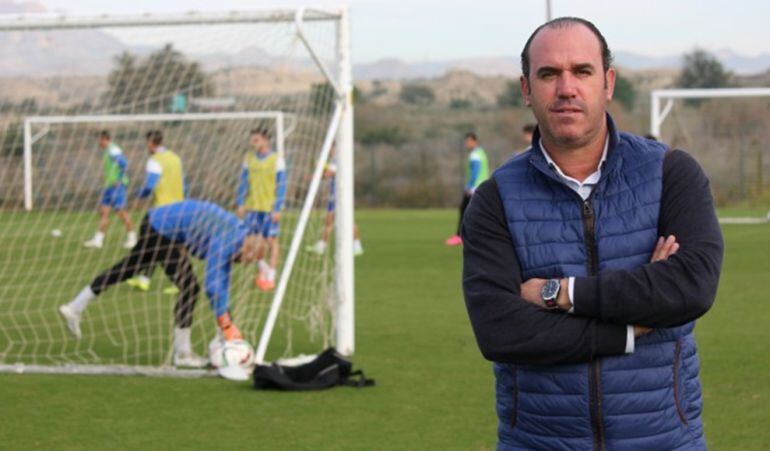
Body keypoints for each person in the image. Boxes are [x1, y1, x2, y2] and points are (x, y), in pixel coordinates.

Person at [462, 17, 723, 450]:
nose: (567, 88)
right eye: (549, 74)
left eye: (582, 71)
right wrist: (630, 327)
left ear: (608, 82)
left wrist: (559, 294)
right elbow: (501, 330)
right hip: (538, 442)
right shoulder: (494, 199)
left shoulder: (671, 172)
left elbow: (690, 288)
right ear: (526, 90)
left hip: (663, 440)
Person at [59, 199, 260, 367]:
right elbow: (214, 285)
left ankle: (75, 306)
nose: (242, 264)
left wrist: (225, 324)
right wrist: (226, 324)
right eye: (245, 260)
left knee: (128, 269)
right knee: (189, 287)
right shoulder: (227, 241)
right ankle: (183, 354)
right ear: (247, 249)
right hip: (161, 229)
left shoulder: (238, 235)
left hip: (159, 222)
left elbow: (221, 280)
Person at [125, 130, 186, 293]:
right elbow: (183, 182)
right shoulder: (175, 158)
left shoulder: (154, 160)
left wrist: (139, 195)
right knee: (155, 244)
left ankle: (180, 281)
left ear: (151, 143)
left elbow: (150, 185)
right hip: (179, 207)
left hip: (162, 211)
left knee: (161, 246)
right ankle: (144, 279)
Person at [236, 128, 287, 291]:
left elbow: (282, 185)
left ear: (265, 140)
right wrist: (240, 203)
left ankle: (271, 276)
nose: (253, 143)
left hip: (269, 207)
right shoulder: (249, 158)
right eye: (252, 139)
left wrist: (277, 208)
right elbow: (243, 181)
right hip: (252, 207)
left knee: (272, 241)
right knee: (249, 242)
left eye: (256, 140)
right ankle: (263, 267)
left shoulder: (276, 159)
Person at [83, 131, 137, 249]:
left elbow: (125, 163)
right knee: (103, 211)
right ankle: (98, 240)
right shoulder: (108, 150)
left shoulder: (113, 150)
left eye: (99, 140)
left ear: (103, 139)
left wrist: (120, 179)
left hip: (117, 187)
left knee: (121, 212)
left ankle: (132, 239)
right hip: (109, 187)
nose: (98, 143)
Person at [307, 152, 364, 256]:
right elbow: (328, 175)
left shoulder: (340, 157)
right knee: (329, 221)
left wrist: (321, 166)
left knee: (346, 221)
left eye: (331, 148)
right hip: (335, 194)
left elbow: (329, 173)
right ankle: (322, 246)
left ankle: (356, 245)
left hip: (341, 194)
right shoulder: (334, 159)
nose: (329, 151)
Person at [444, 132, 488, 246]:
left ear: (474, 141)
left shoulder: (475, 155)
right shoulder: (481, 153)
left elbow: (475, 172)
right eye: (466, 141)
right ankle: (478, 235)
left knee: (464, 210)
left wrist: (469, 186)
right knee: (477, 212)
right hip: (482, 187)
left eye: (468, 141)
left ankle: (460, 236)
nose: (467, 144)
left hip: (474, 188)